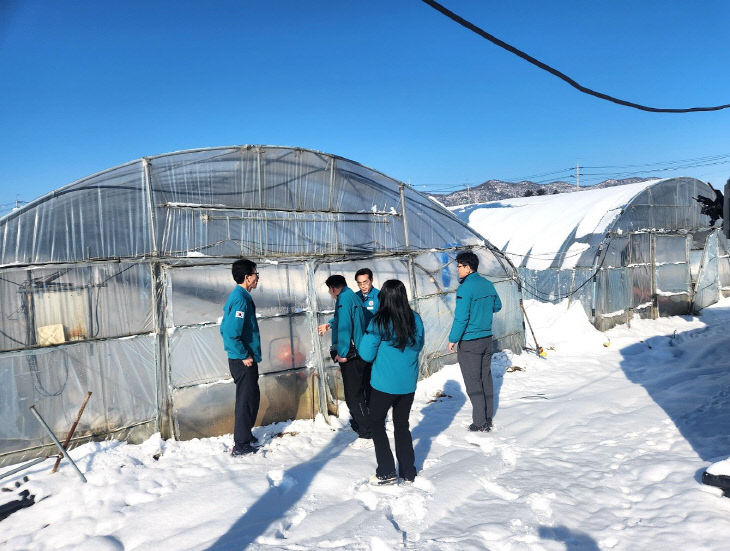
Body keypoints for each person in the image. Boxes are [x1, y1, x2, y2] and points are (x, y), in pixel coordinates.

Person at [358, 279, 424, 485]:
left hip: (383, 386)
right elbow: (419, 345)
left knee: (376, 424)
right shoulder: (415, 319)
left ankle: (386, 471)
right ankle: (408, 471)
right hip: (407, 385)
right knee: (401, 425)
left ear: (383, 298)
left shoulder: (379, 321)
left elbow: (366, 354)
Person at [448, 251, 502, 432]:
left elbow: (461, 318)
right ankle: (487, 417)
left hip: (470, 342)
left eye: (460, 266)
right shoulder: (487, 284)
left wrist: (453, 339)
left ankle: (479, 422)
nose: (457, 270)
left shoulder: (465, 289)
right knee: (485, 378)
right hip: (487, 339)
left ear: (468, 268)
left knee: (473, 382)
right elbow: (497, 306)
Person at [220, 259, 262, 456]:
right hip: (243, 359)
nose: (257, 278)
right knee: (246, 400)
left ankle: (245, 435)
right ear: (247, 277)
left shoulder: (241, 296)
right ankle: (241, 444)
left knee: (252, 397)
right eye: (256, 274)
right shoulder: (240, 299)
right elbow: (229, 332)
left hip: (246, 357)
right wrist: (243, 354)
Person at [323, 274, 371, 440]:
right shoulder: (354, 296)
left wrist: (342, 354)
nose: (331, 294)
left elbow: (345, 326)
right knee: (360, 391)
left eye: (330, 291)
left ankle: (366, 429)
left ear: (334, 288)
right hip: (360, 351)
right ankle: (362, 423)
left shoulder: (343, 299)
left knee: (353, 395)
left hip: (351, 354)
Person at [317, 267, 380, 333]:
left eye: (365, 282)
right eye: (359, 283)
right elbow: (345, 314)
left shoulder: (381, 296)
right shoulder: (354, 296)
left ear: (371, 280)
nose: (362, 286)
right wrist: (330, 324)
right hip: (359, 336)